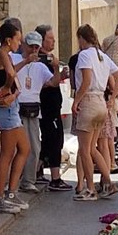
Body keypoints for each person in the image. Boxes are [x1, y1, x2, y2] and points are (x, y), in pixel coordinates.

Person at [71, 24, 118, 202]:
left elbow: (86, 80)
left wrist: (76, 101)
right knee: (93, 147)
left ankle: (90, 188)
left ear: (82, 39)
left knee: (84, 149)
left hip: (89, 101)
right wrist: (112, 97)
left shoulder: (84, 55)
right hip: (101, 102)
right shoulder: (103, 56)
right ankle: (108, 181)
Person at [0, 20, 29, 213]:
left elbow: (12, 72)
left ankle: (10, 193)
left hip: (10, 107)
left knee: (24, 148)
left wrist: (26, 62)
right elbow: (10, 75)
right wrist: (7, 89)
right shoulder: (2, 54)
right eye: (18, 40)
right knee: (7, 153)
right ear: (8, 40)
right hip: (5, 108)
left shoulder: (5, 55)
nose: (19, 44)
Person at [13, 31, 54, 194]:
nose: (34, 50)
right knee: (16, 148)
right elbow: (10, 73)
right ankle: (13, 182)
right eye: (31, 46)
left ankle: (29, 180)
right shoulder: (15, 58)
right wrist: (25, 61)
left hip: (33, 109)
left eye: (37, 47)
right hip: (16, 108)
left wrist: (58, 70)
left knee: (34, 147)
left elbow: (52, 82)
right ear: (24, 45)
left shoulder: (41, 66)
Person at [34, 25, 71, 190]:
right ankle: (55, 178)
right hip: (48, 107)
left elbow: (52, 81)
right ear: (41, 41)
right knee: (55, 140)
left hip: (53, 105)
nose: (54, 41)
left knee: (49, 140)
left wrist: (61, 75)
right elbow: (46, 83)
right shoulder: (41, 61)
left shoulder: (48, 59)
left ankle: (37, 170)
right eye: (50, 38)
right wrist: (56, 69)